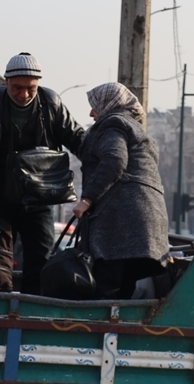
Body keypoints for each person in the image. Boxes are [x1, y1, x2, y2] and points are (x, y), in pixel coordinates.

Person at [0, 53, 85, 294]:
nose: (24, 94)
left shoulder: (52, 103)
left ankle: (33, 313)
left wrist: (102, 157)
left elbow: (77, 139)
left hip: (39, 199)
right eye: (17, 88)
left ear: (38, 84)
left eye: (30, 88)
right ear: (6, 82)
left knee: (42, 260)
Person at [71, 82, 168, 299]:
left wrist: (87, 199)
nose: (91, 113)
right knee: (123, 287)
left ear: (108, 104)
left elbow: (114, 160)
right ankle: (115, 330)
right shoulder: (133, 127)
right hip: (138, 224)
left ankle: (103, 332)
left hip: (120, 223)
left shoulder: (113, 125)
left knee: (107, 288)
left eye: (95, 106)